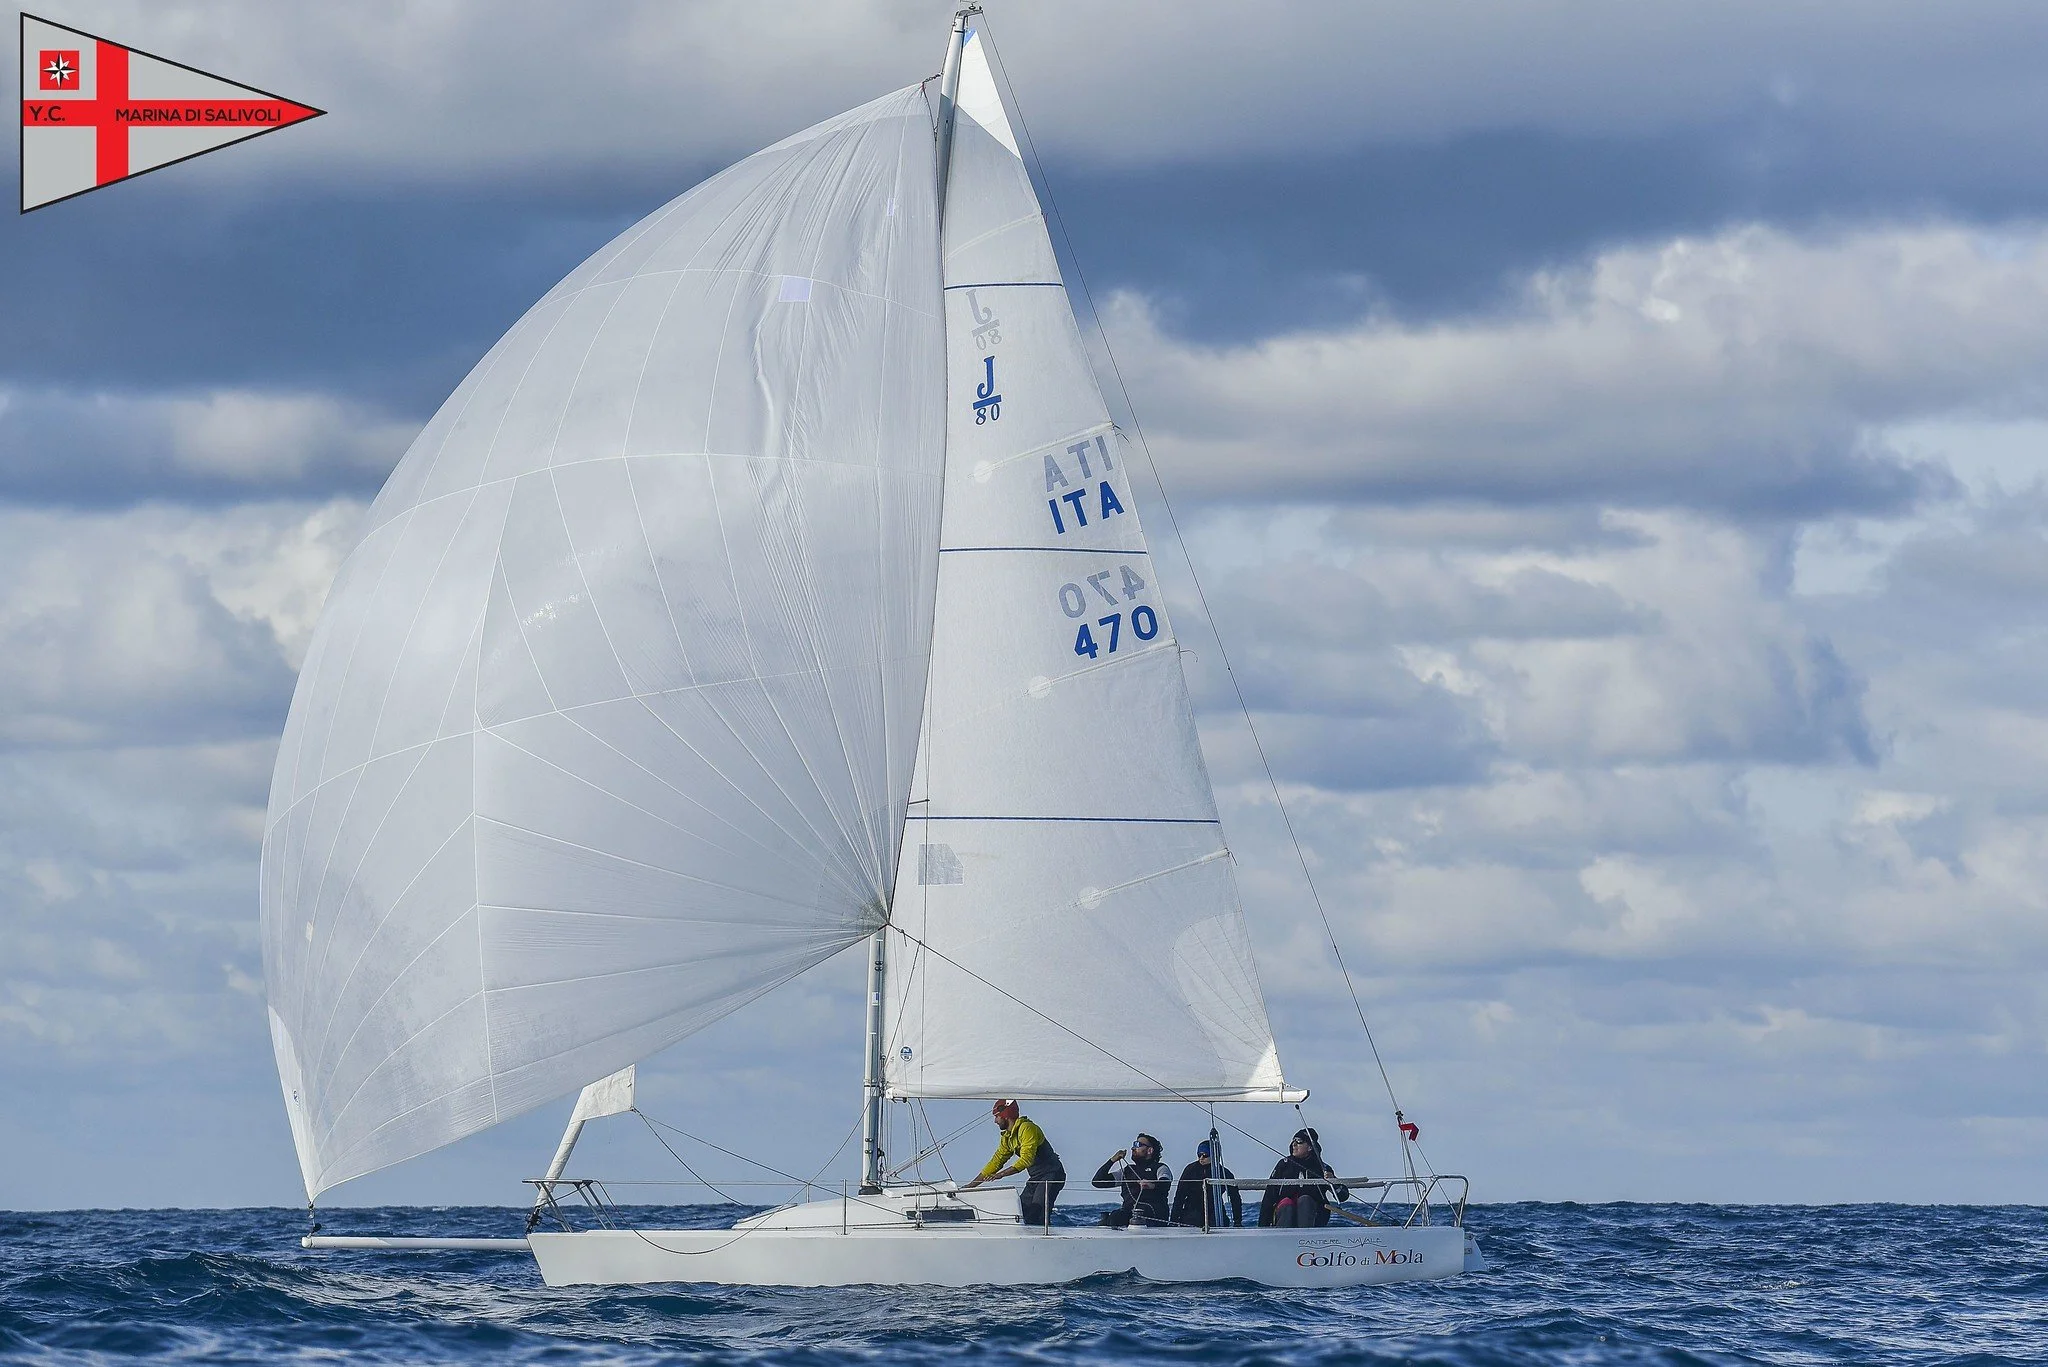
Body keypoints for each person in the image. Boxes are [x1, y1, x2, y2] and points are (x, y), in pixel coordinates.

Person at [961, 1099, 1065, 1227]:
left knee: (1038, 1211)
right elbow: (996, 1162)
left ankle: (1046, 1240)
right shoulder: (1007, 1136)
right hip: (1036, 1177)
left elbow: (1026, 1159)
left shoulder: (1027, 1129)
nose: (995, 1121)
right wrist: (971, 1186)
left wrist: (1001, 1175)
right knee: (1022, 1211)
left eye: (997, 1117)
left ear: (1005, 1115)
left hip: (1052, 1174)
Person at [1258, 1127, 1350, 1228]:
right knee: (1286, 1203)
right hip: (1285, 1214)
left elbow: (1342, 1196)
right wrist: (1262, 1227)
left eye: (1299, 1141)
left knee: (1305, 1200)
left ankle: (1305, 1236)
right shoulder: (1283, 1165)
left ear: (1310, 1147)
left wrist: (1333, 1182)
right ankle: (1282, 1238)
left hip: (1314, 1216)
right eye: (1293, 1141)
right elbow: (1269, 1195)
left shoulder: (1322, 1168)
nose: (1294, 1144)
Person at [1091, 1133, 1173, 1228]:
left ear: (1150, 1150)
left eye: (1137, 1145)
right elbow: (1097, 1182)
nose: (1133, 1148)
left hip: (1153, 1215)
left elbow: (1165, 1184)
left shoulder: (1160, 1168)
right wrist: (1112, 1161)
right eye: (1134, 1144)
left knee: (1120, 1217)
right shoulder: (1127, 1171)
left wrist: (1152, 1185)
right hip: (1129, 1214)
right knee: (1114, 1217)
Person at [1170, 1139, 1243, 1229]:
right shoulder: (1190, 1170)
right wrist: (1173, 1220)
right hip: (1192, 1213)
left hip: (1216, 1213)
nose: (1201, 1158)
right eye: (1199, 1155)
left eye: (1205, 1155)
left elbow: (1235, 1198)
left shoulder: (1224, 1173)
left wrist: (1237, 1221)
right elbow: (1179, 1196)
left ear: (1214, 1155)